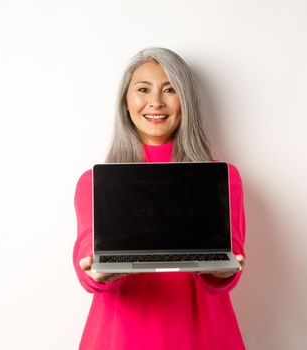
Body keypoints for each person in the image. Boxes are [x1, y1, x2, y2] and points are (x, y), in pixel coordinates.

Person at [73, 47, 246, 349]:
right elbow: (87, 246)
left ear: (186, 102)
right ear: (125, 103)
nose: (155, 102)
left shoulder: (223, 178)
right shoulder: (93, 182)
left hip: (202, 337)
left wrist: (221, 271)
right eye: (143, 89)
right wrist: (96, 271)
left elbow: (232, 254)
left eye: (170, 89)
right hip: (120, 339)